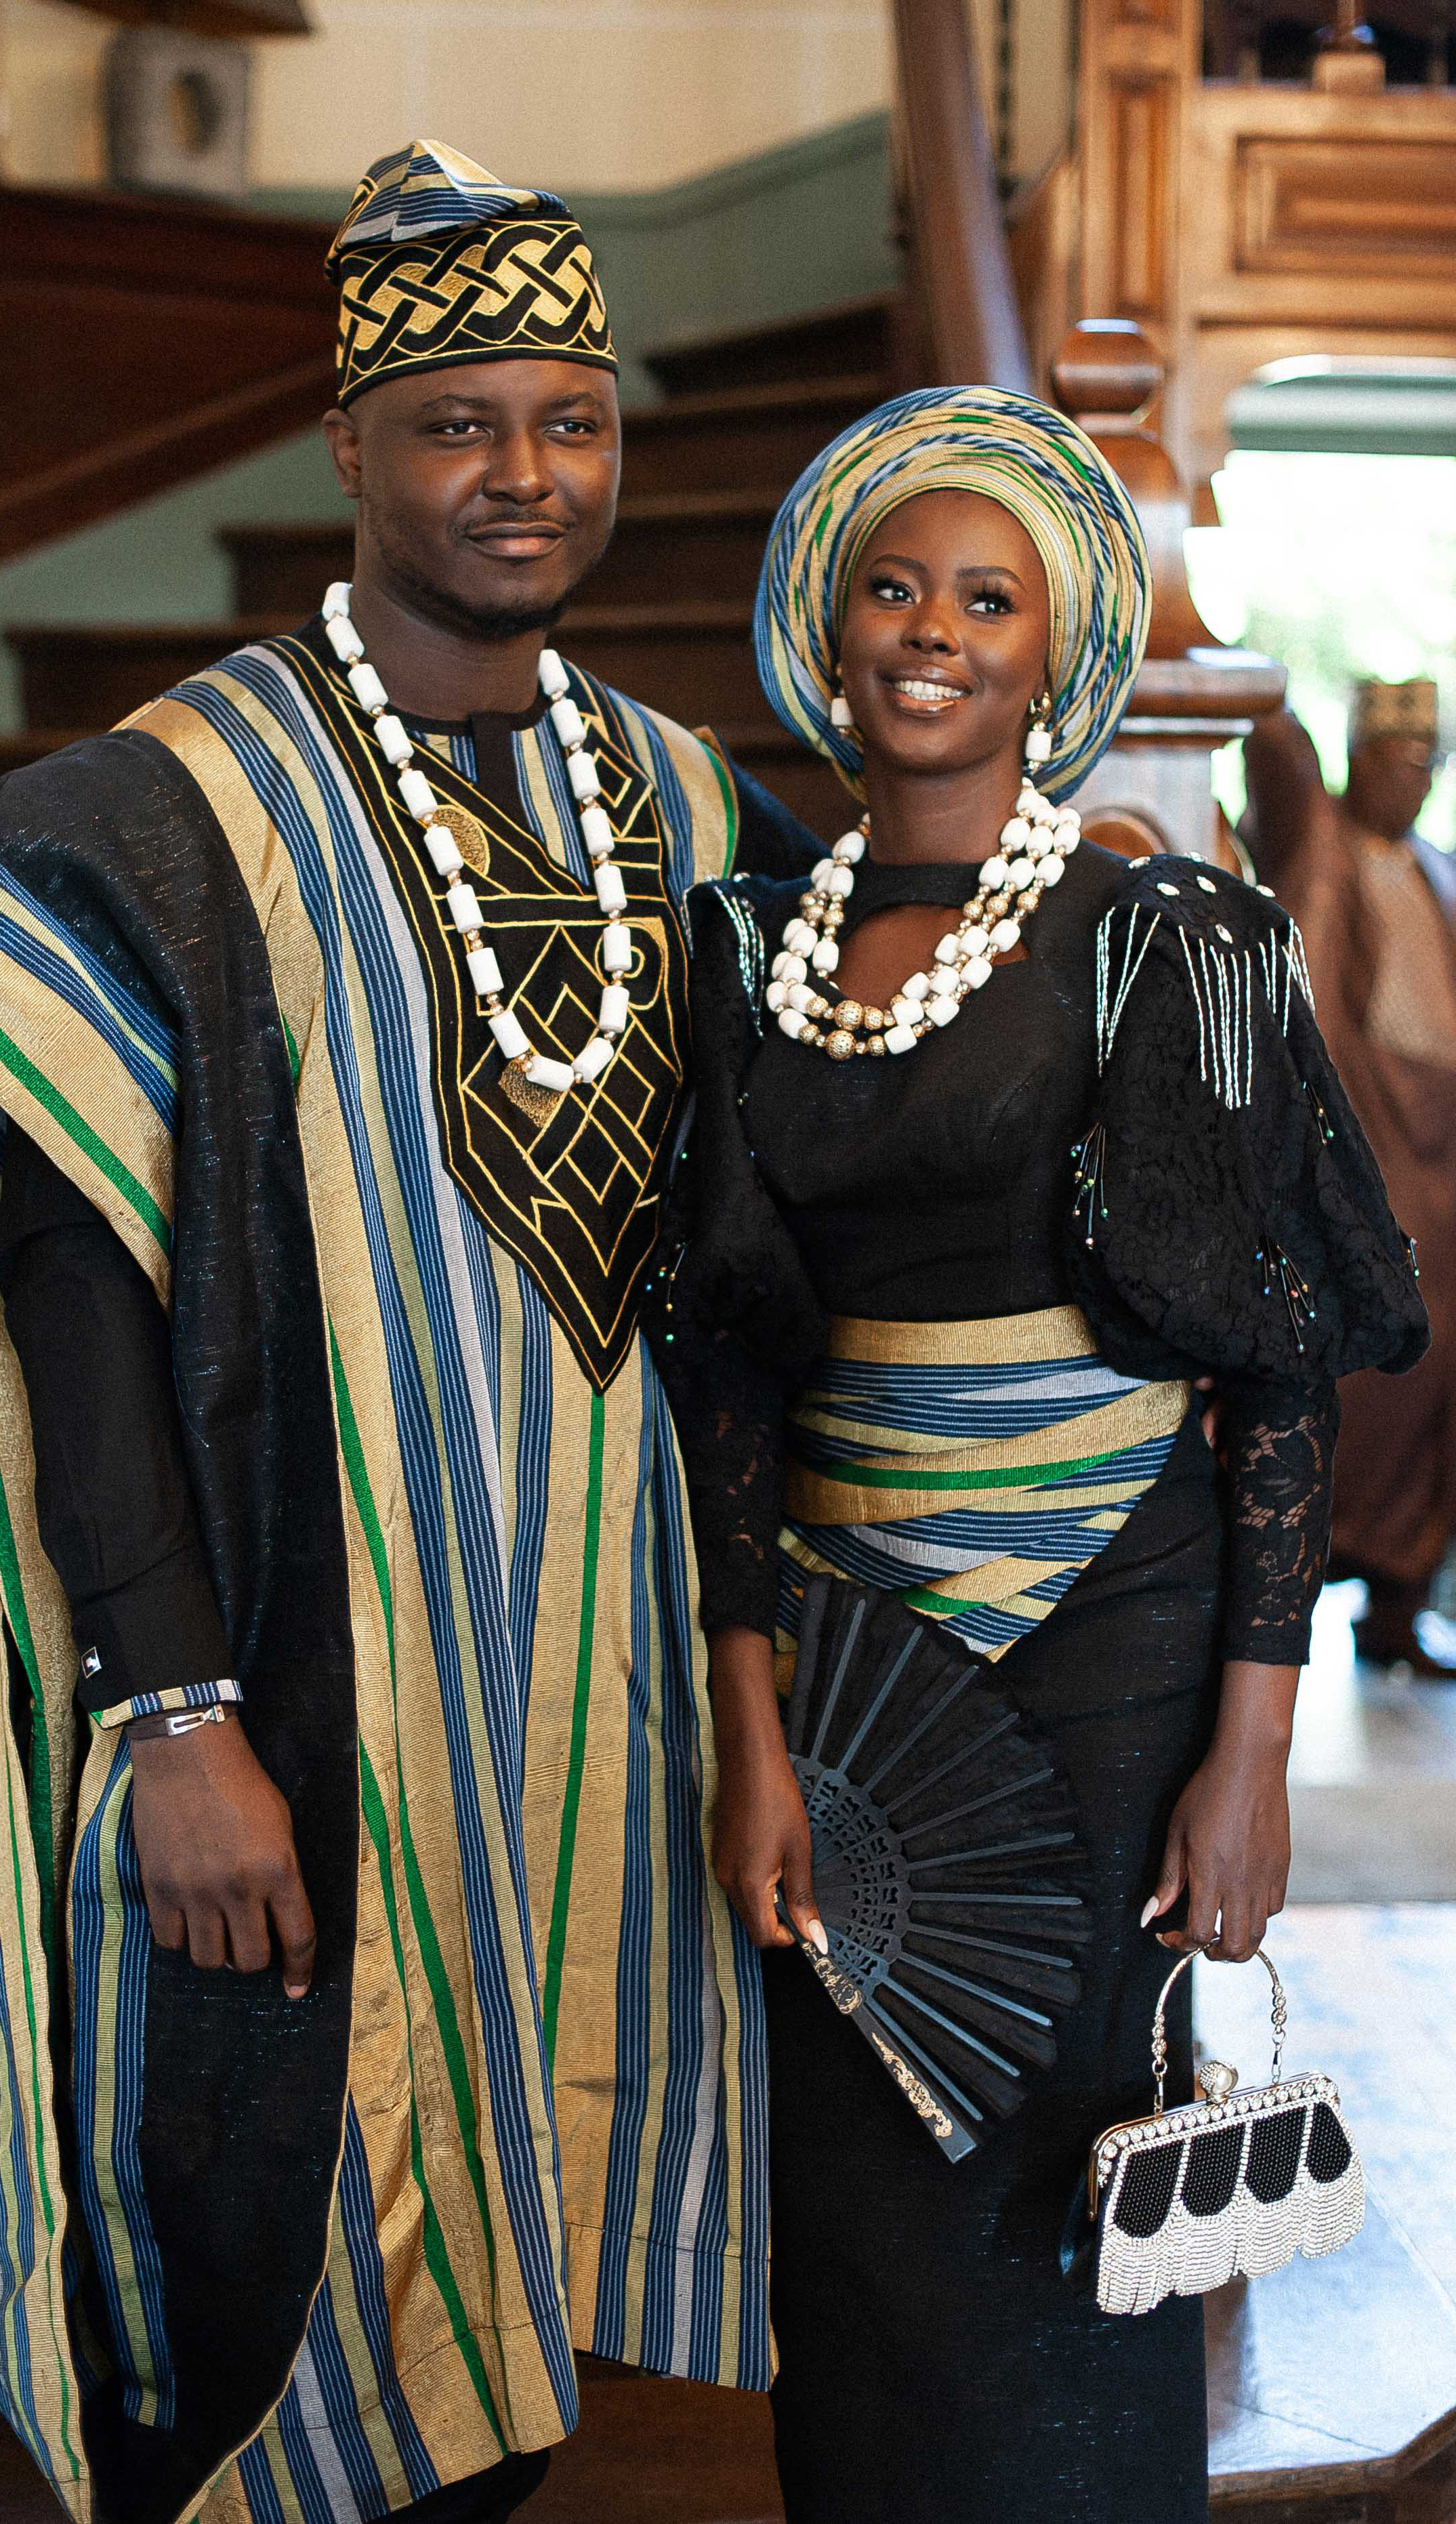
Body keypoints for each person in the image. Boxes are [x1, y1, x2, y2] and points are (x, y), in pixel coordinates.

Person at [0, 140, 817, 2524]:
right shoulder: (173, 814)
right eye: (462, 422)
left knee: (523, 2259)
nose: (527, 475)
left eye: (570, 418)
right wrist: (168, 1709)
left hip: (594, 1690)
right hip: (293, 1667)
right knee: (262, 2236)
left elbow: (783, 1269)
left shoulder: (683, 805)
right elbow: (76, 1294)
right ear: (351, 445)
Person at [652, 387, 1426, 2524]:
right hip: (847, 1648)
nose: (933, 629)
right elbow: (722, 1365)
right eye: (893, 584)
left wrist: (1253, 1748)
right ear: (826, 621)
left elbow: (1277, 1369)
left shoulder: (1164, 934)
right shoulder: (736, 956)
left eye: (988, 595)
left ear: (1058, 647)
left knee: (1069, 2206)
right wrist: (749, 1721)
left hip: (1116, 1632)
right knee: (860, 2202)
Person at [1245, 681, 1456, 1675]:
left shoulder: (1441, 874)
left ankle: (1399, 1602)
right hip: (1360, 1155)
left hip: (1444, 1168)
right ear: (1357, 756)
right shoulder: (1316, 846)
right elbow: (1274, 749)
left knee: (1436, 1391)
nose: (1412, 778)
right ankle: (1286, 1597)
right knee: (1352, 1377)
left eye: (1429, 762)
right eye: (1395, 756)